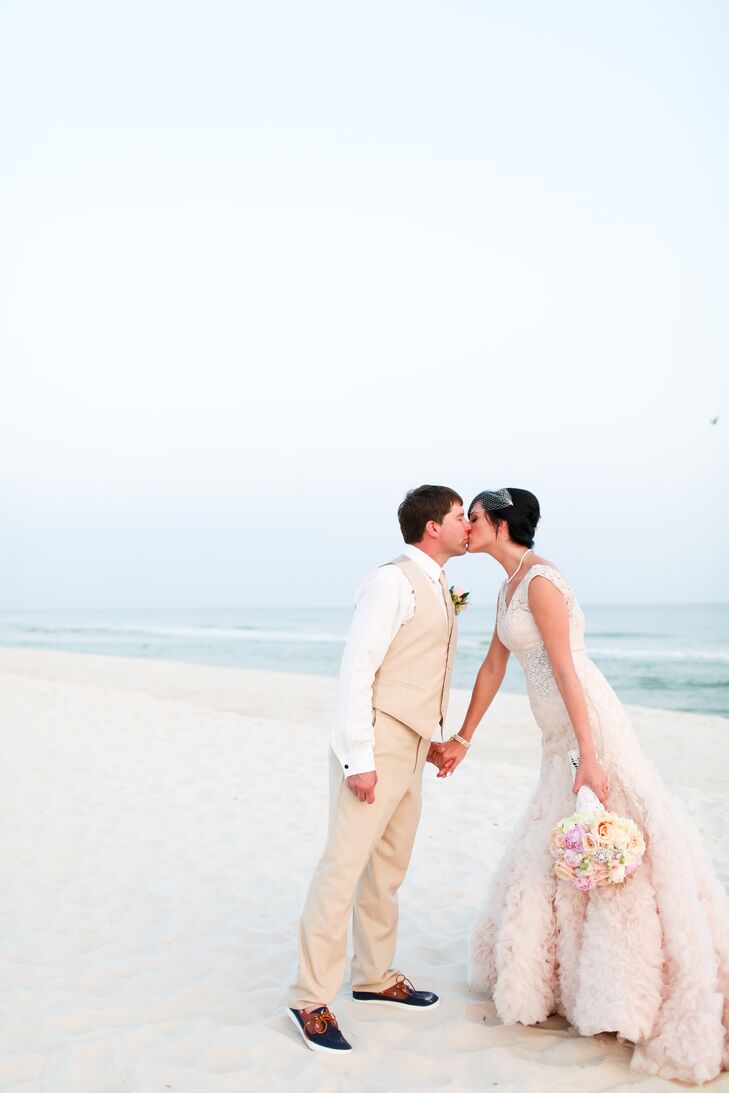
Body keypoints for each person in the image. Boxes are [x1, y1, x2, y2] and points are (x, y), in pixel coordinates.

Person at [432, 487, 729, 1085]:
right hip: (554, 735)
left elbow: (566, 668)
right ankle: (573, 979)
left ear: (499, 523)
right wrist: (463, 737)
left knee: (615, 834)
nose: (465, 525)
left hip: (587, 724)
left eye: (475, 518)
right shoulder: (506, 584)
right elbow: (495, 665)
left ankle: (631, 985)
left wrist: (590, 755)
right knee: (564, 839)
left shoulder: (542, 582)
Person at [287, 484, 471, 1053]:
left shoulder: (438, 583)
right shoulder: (391, 581)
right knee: (343, 868)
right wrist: (359, 759)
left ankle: (374, 977)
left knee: (387, 867)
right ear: (433, 526)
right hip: (377, 744)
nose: (470, 525)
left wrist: (437, 739)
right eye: (462, 516)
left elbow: (415, 669)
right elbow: (358, 670)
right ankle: (310, 999)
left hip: (413, 743)